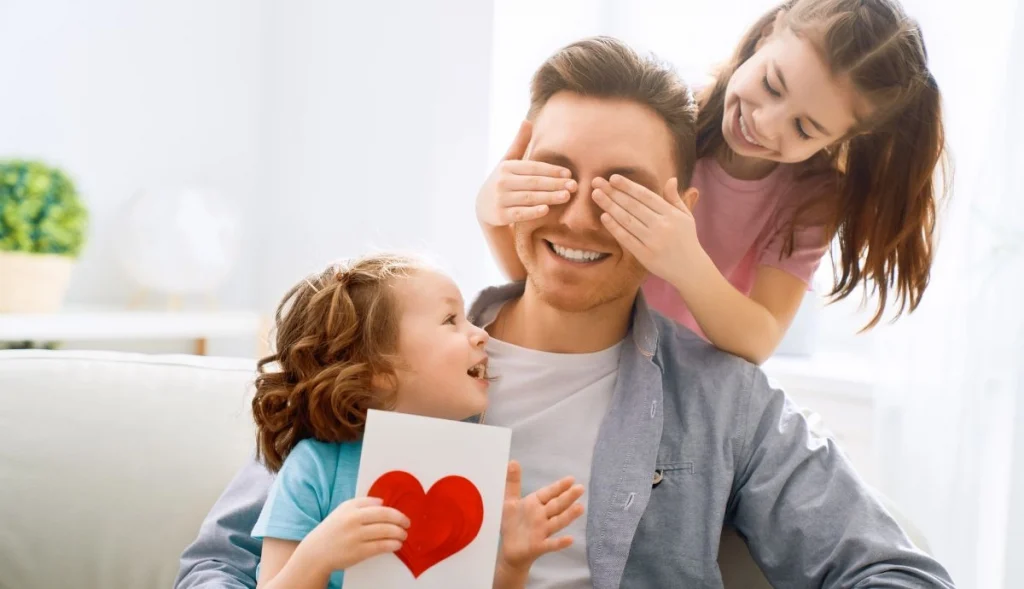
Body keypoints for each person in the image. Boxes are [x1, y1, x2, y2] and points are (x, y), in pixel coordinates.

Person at [176, 37, 955, 587]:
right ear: (513, 173)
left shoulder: (724, 403)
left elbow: (894, 573)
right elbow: (219, 566)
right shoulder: (382, 355)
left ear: (678, 215)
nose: (580, 217)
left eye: (623, 189)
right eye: (554, 174)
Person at [476, 0, 948, 364]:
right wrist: (489, 208)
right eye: (772, 85)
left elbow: (758, 341)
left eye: (805, 128)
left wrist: (686, 263)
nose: (766, 123)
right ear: (766, 34)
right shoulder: (664, 121)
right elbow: (535, 275)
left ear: (845, 138)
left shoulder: (811, 198)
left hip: (680, 384)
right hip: (586, 353)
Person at [247, 254, 584, 589]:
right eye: (451, 319)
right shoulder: (315, 467)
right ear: (378, 371)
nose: (481, 333)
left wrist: (513, 564)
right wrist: (317, 556)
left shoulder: (474, 467)